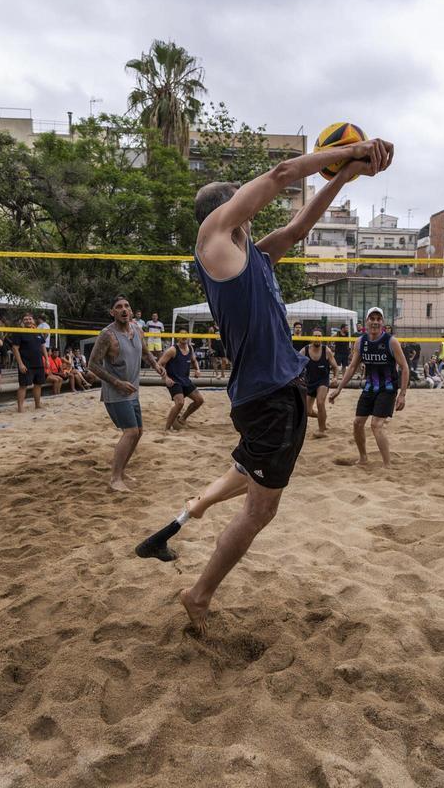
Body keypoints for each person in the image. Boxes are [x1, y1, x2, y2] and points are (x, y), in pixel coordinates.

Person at [134, 136, 393, 635]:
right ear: (233, 210)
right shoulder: (214, 241)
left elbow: (297, 227)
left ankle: (194, 509)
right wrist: (357, 147)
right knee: (261, 509)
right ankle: (199, 594)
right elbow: (281, 175)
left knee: (248, 471)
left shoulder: (255, 257)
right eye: (242, 204)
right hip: (266, 397)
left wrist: (346, 175)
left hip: (281, 391)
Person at [86, 296, 167, 490]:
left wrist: (156, 365)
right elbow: (92, 365)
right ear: (112, 312)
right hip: (115, 392)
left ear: (131, 311)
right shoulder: (107, 335)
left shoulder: (137, 330)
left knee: (138, 432)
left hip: (132, 391)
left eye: (126, 306)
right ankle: (115, 479)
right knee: (130, 432)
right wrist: (116, 382)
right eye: (118, 307)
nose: (124, 309)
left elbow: (146, 352)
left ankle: (121, 472)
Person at [331, 306, 410, 466]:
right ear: (366, 322)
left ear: (382, 322)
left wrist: (402, 394)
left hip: (387, 388)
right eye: (372, 319)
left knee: (376, 425)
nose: (375, 322)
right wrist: (339, 388)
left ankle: (387, 464)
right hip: (369, 388)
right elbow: (352, 367)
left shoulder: (391, 341)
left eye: (378, 319)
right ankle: (363, 458)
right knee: (357, 423)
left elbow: (405, 367)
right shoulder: (361, 342)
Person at [158, 336, 205, 431]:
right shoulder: (172, 350)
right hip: (173, 381)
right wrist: (165, 378)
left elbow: (194, 360)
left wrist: (197, 370)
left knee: (199, 400)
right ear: (177, 337)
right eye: (181, 334)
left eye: (186, 334)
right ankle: (166, 429)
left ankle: (182, 418)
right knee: (180, 403)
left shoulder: (190, 348)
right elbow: (159, 364)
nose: (184, 337)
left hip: (185, 380)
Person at [301, 326, 340, 437]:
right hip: (309, 382)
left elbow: (336, 367)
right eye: (315, 336)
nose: (317, 338)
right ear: (311, 338)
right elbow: (295, 363)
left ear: (322, 338)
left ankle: (321, 431)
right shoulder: (305, 350)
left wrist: (335, 377)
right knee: (308, 411)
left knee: (320, 402)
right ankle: (322, 418)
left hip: (323, 381)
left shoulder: (326, 350)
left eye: (319, 336)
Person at [9, 313, 48, 413]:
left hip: (38, 363)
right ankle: (20, 408)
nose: (28, 321)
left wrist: (47, 359)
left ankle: (37, 405)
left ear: (33, 320)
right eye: (25, 319)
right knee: (23, 386)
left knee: (38, 384)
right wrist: (20, 364)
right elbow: (15, 348)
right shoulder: (19, 332)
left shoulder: (37, 332)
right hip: (26, 364)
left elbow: (43, 346)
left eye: (30, 319)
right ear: (23, 321)